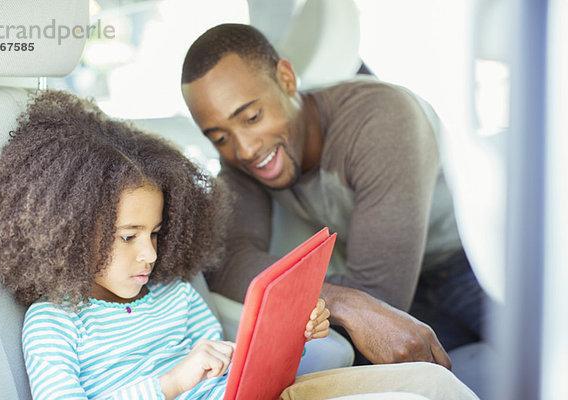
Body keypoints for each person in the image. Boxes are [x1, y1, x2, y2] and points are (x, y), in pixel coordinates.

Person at [0, 90, 479, 400]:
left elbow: (235, 363)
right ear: (65, 233)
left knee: (432, 385)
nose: (149, 254)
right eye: (128, 237)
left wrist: (290, 339)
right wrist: (173, 382)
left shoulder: (172, 293)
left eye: (152, 234)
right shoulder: (54, 322)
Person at [181, 23, 488, 366]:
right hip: (409, 300)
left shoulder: (383, 121)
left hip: (475, 266)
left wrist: (344, 299)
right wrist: (340, 300)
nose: (245, 149)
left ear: (286, 79)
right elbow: (226, 264)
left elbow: (381, 297)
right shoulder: (242, 160)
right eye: (219, 137)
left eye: (252, 117)